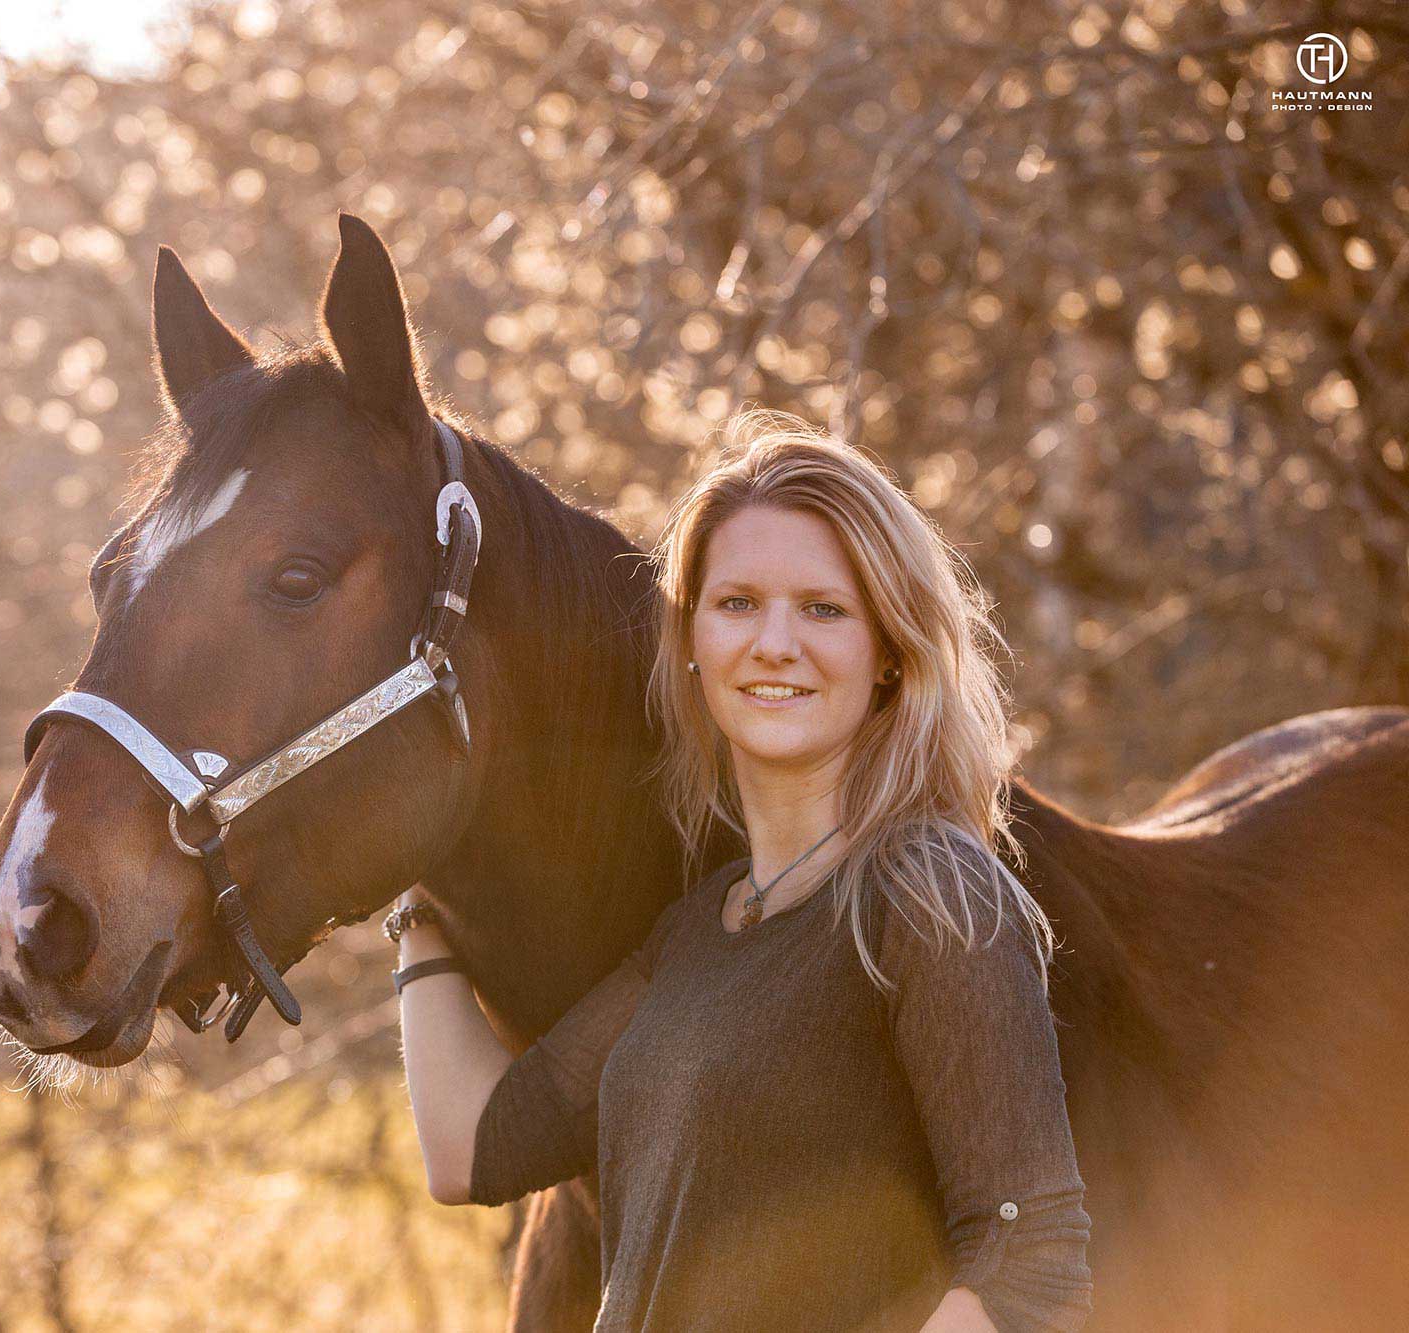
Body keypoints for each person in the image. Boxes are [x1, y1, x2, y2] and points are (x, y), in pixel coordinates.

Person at [389, 411, 1093, 1332]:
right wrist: (419, 885)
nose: (775, 642)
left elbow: (1033, 1261)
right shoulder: (696, 929)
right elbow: (475, 1147)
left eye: (824, 609)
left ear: (888, 650)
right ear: (689, 641)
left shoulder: (930, 892)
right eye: (737, 603)